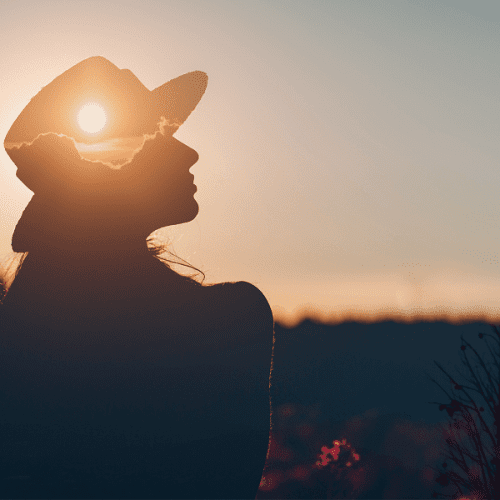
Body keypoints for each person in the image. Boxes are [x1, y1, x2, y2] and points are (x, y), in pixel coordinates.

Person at [0, 56, 274, 499]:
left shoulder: (22, 337)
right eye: (157, 138)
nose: (190, 152)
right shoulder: (230, 320)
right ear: (110, 175)